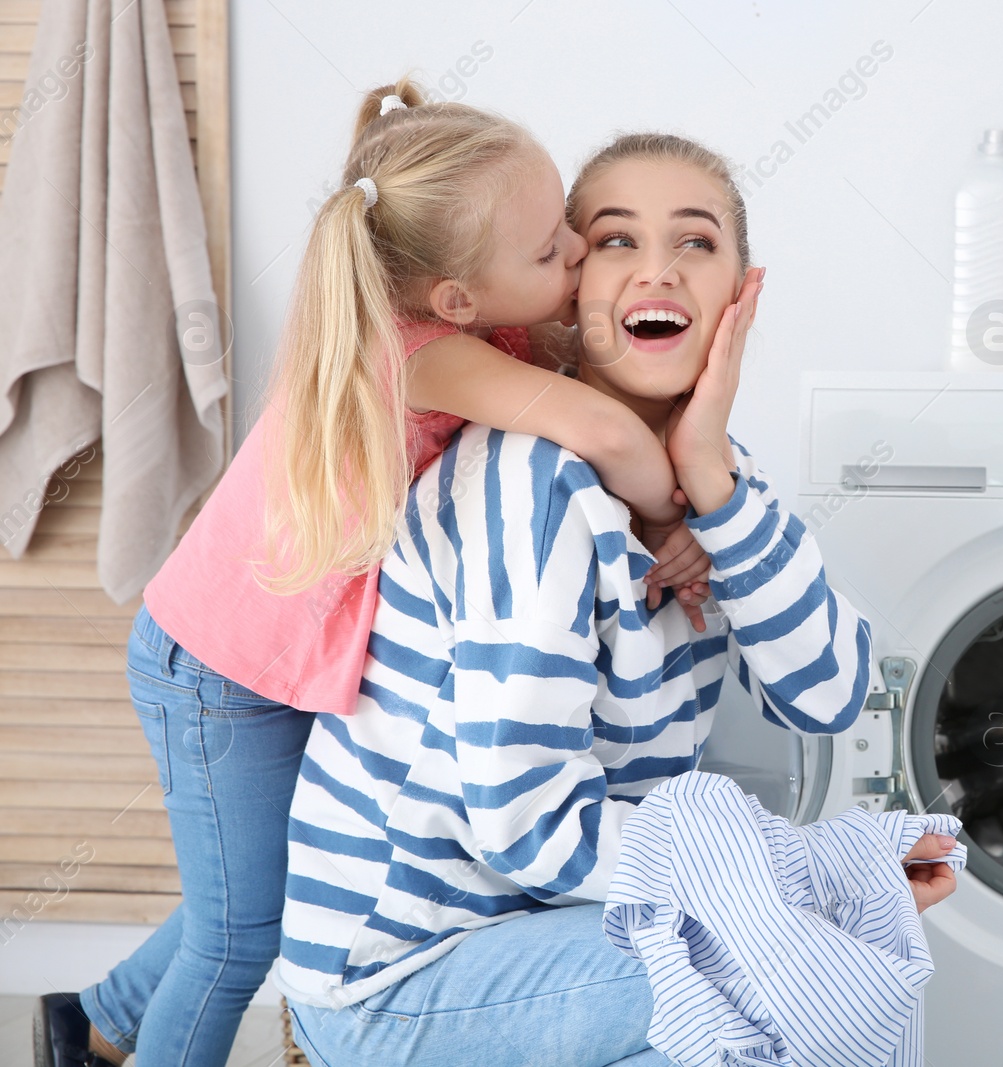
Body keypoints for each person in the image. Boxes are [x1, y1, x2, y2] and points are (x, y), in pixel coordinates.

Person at [36, 81, 713, 1067]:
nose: (575, 254)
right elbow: (605, 423)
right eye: (552, 249)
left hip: (274, 653)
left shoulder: (488, 314)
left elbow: (612, 379)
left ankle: (92, 1017)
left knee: (253, 881)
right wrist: (679, 514)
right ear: (455, 298)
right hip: (217, 672)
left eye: (572, 225)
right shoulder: (420, 353)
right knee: (240, 932)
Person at [276, 132, 958, 1067]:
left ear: (740, 293)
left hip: (547, 936)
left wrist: (713, 481)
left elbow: (831, 692)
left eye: (696, 243)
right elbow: (529, 827)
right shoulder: (529, 482)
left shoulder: (716, 480)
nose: (658, 273)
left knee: (792, 972)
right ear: (570, 290)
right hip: (403, 977)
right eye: (615, 241)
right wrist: (803, 882)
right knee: (786, 969)